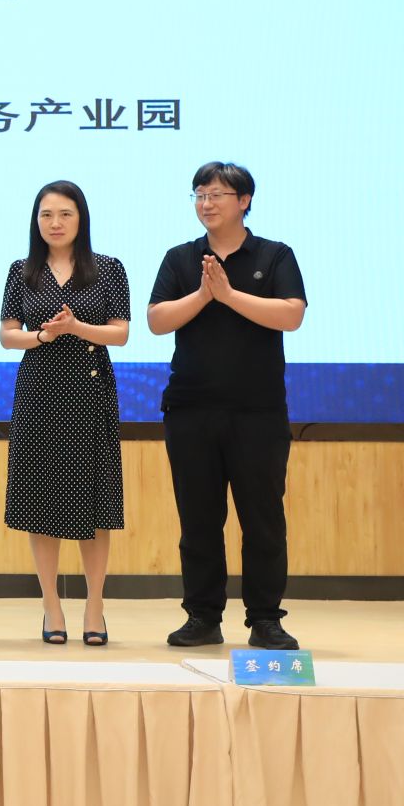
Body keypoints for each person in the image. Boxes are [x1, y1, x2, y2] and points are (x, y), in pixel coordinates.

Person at [147, 161, 307, 652]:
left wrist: (229, 295)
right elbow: (157, 320)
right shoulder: (181, 258)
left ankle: (265, 619)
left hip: (258, 412)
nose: (206, 203)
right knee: (198, 520)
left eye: (216, 194)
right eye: (199, 194)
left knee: (262, 520)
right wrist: (204, 294)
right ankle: (202, 616)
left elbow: (291, 315)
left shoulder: (275, 255)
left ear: (244, 201)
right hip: (190, 409)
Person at [0, 180, 130, 646]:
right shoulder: (22, 271)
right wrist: (43, 336)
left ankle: (95, 606)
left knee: (93, 502)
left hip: (91, 392)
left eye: (65, 214)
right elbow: (7, 335)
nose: (55, 223)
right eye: (46, 215)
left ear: (81, 219)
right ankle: (51, 606)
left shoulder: (108, 268)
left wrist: (76, 327)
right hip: (39, 392)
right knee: (41, 501)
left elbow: (120, 333)